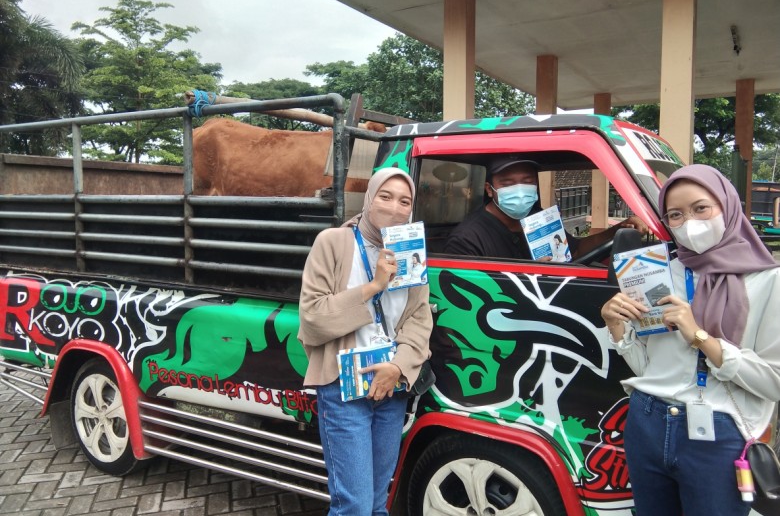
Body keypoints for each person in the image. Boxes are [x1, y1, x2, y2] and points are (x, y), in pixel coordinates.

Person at [600, 164, 780, 515]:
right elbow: (648, 368)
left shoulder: (767, 281)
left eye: (701, 208)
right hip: (647, 421)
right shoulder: (660, 272)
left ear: (727, 206)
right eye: (676, 215)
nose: (689, 223)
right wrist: (615, 324)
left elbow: (774, 382)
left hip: (720, 433)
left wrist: (700, 336)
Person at [298, 167, 433, 516]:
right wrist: (374, 286)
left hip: (390, 387)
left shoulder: (410, 250)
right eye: (385, 197)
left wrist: (398, 367)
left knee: (376, 503)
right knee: (354, 506)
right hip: (344, 388)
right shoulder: (333, 242)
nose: (395, 207)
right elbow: (312, 317)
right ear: (369, 198)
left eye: (405, 201)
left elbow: (419, 319)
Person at [444, 156, 649, 260]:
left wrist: (618, 230)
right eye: (508, 183)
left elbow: (576, 250)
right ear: (490, 190)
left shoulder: (539, 218)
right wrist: (531, 274)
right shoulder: (467, 238)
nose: (520, 190)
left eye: (527, 182)